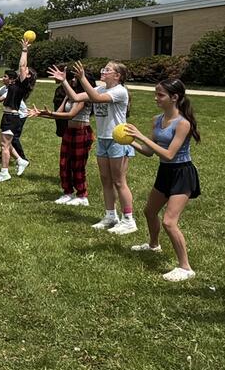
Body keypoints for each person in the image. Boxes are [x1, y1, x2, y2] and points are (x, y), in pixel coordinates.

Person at [123, 78, 201, 282]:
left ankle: (185, 267)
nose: (156, 98)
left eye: (160, 95)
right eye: (155, 94)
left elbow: (169, 154)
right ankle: (153, 245)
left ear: (174, 97)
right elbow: (149, 151)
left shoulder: (183, 123)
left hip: (182, 173)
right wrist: (129, 142)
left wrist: (141, 136)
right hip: (165, 171)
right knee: (149, 211)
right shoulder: (157, 120)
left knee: (169, 222)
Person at [50, 61, 136, 234]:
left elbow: (96, 99)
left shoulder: (120, 91)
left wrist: (82, 78)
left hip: (117, 141)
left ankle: (128, 220)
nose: (103, 71)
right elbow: (76, 98)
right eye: (103, 69)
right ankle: (110, 216)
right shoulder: (100, 89)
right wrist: (64, 81)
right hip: (104, 140)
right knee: (106, 180)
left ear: (117, 76)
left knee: (119, 181)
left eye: (107, 70)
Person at [30, 68, 92, 206]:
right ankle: (67, 192)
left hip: (82, 132)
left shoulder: (85, 96)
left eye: (76, 78)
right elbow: (58, 114)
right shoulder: (69, 95)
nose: (73, 80)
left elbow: (71, 115)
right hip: (69, 131)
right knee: (64, 163)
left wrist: (50, 113)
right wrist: (41, 113)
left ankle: (82, 195)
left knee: (78, 165)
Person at [0, 40, 36, 181]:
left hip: (12, 117)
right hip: (7, 116)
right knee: (3, 143)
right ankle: (20, 160)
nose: (23, 71)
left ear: (27, 76)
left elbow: (22, 66)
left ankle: (5, 172)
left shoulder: (23, 85)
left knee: (5, 145)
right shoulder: (12, 85)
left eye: (26, 71)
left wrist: (24, 50)